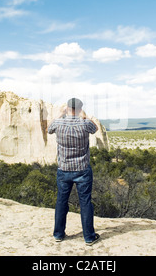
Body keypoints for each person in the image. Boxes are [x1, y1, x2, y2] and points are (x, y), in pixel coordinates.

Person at [47, 98, 101, 246]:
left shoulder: (58, 123)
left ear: (67, 109)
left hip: (64, 169)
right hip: (82, 170)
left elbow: (49, 129)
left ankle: (58, 234)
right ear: (79, 109)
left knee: (61, 201)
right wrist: (83, 115)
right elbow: (95, 128)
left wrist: (59, 114)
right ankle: (89, 237)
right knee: (85, 203)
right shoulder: (85, 123)